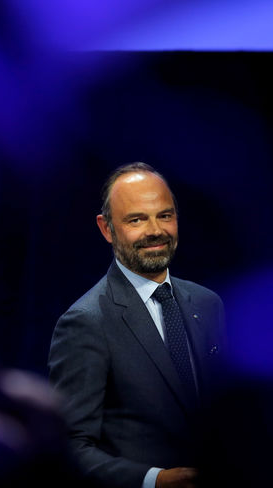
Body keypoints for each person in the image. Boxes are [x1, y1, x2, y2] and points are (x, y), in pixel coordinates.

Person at [48, 162, 226, 488]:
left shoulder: (207, 304)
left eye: (165, 215)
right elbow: (70, 448)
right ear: (106, 229)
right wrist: (153, 480)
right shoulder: (86, 322)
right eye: (136, 219)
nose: (155, 230)